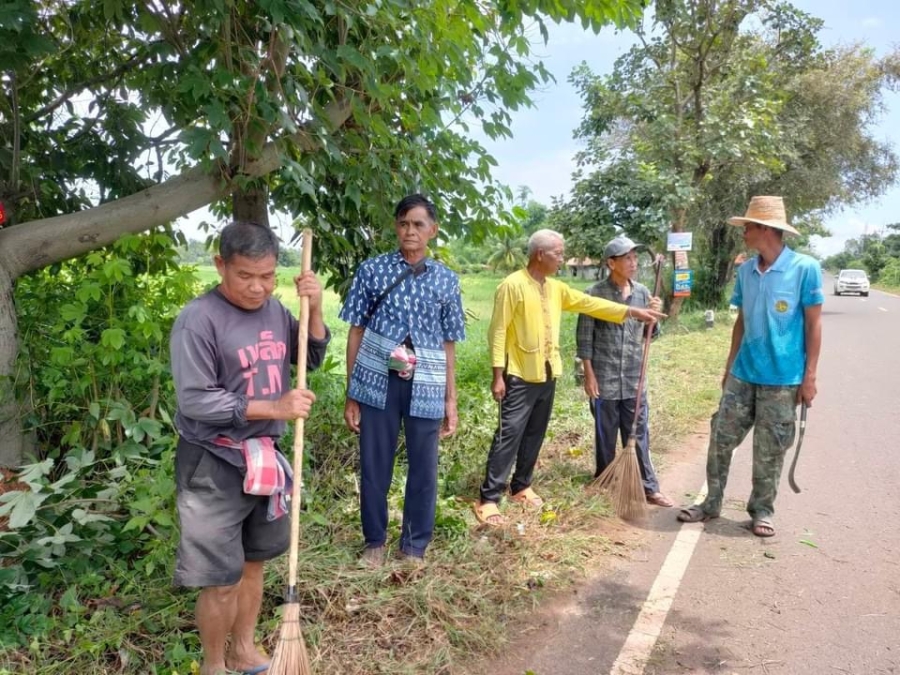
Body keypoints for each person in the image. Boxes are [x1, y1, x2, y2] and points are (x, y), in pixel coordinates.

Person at [170, 221, 331, 675]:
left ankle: (244, 650)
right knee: (220, 578)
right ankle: (214, 664)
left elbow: (310, 356)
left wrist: (315, 307)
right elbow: (195, 399)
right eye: (245, 276)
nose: (257, 287)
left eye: (267, 276)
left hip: (264, 459)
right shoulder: (198, 320)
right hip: (213, 462)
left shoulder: (277, 311)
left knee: (255, 563)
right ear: (220, 264)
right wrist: (273, 405)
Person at [474, 229, 666, 526]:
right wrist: (497, 375)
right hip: (518, 374)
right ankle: (488, 498)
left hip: (547, 371)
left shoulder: (555, 288)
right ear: (540, 254)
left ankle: (521, 485)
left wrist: (632, 312)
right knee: (508, 434)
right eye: (559, 254)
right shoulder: (511, 286)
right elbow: (497, 332)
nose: (563, 259)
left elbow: (590, 304)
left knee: (535, 433)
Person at [677, 196, 823, 537]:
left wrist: (810, 376)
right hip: (743, 374)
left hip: (784, 379)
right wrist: (729, 366)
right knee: (721, 437)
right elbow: (741, 321)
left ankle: (761, 511)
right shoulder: (746, 270)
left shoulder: (804, 268)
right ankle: (710, 503)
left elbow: (814, 325)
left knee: (770, 449)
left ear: (767, 230)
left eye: (748, 226)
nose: (743, 232)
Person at [340, 194, 465, 566]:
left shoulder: (446, 281)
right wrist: (352, 392)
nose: (410, 231)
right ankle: (374, 542)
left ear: (433, 230)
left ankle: (413, 546)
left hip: (426, 381)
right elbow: (355, 332)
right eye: (403, 224)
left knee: (424, 467)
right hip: (377, 379)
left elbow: (448, 344)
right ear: (396, 227)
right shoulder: (372, 271)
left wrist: (450, 399)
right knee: (374, 463)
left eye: (418, 224)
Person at [576, 235, 673, 507]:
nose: (633, 263)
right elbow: (584, 338)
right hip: (604, 376)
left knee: (638, 432)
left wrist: (655, 313)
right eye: (627, 258)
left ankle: (649, 487)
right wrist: (589, 374)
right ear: (611, 263)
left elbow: (650, 335)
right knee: (605, 432)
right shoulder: (593, 294)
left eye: (635, 258)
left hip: (633, 377)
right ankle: (605, 479)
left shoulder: (643, 292)